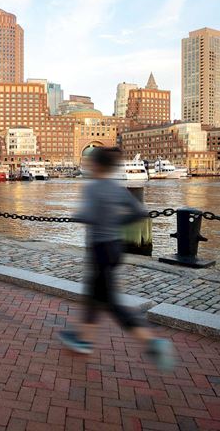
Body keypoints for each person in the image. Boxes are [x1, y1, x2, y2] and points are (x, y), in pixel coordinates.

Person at [59, 147, 175, 371]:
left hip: (100, 249)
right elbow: (140, 212)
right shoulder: (117, 188)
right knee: (95, 295)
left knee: (110, 302)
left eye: (91, 163)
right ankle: (83, 338)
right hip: (115, 249)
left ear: (97, 165)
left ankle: (153, 343)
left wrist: (80, 216)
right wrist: (117, 224)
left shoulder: (93, 188)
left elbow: (88, 215)